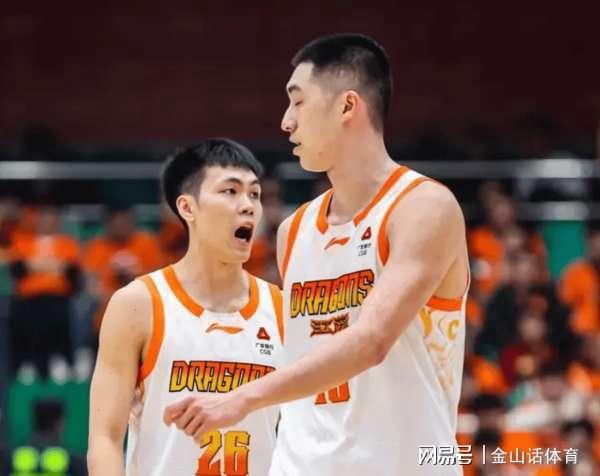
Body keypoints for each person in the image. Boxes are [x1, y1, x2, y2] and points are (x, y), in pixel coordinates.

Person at [166, 34, 469, 475]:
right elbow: (300, 356)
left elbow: (371, 342)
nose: (286, 121)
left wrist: (242, 398)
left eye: (298, 101)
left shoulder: (422, 207)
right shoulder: (295, 231)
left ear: (347, 106)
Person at [87, 139, 284, 475]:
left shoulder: (282, 307)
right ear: (188, 208)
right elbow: (105, 437)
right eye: (230, 191)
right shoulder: (138, 304)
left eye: (254, 194)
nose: (248, 205)